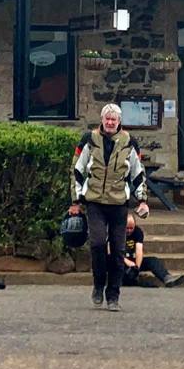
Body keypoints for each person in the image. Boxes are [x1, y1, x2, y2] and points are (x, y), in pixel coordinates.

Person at [69, 102, 149, 312]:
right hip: (95, 201)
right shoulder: (89, 139)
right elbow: (77, 170)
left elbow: (138, 173)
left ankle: (113, 295)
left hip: (118, 203)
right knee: (97, 244)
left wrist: (142, 199)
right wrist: (76, 201)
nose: (110, 122)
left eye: (114, 119)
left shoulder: (130, 142)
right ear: (102, 120)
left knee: (118, 250)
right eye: (107, 119)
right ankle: (98, 284)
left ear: (119, 121)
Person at [119, 212, 184, 288]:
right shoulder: (117, 232)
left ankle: (167, 278)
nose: (129, 230)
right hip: (119, 260)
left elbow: (139, 251)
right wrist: (126, 261)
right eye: (127, 228)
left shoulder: (137, 232)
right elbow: (112, 251)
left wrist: (136, 268)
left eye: (131, 228)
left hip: (132, 261)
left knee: (153, 261)